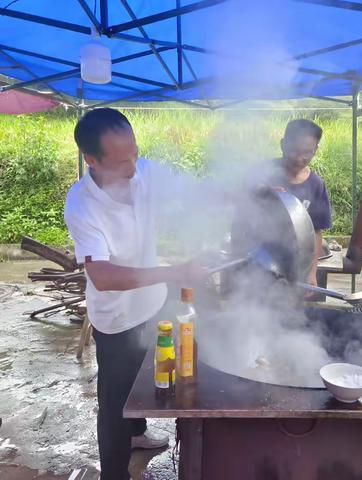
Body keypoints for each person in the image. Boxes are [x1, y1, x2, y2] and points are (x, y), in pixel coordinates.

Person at [64, 108, 205, 480]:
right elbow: (103, 277)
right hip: (115, 315)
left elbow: (195, 190)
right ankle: (114, 472)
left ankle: (138, 434)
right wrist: (174, 272)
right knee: (115, 400)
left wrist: (250, 192)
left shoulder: (142, 171)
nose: (133, 166)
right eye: (122, 160)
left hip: (152, 300)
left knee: (152, 373)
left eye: (136, 153)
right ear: (91, 160)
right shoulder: (82, 204)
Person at [270, 119, 332, 286]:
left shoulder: (316, 184)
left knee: (294, 311)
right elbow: (240, 210)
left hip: (296, 268)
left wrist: (312, 272)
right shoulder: (264, 172)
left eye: (307, 152)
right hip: (259, 264)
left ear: (316, 150)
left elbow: (316, 232)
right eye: (294, 151)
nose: (300, 158)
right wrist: (261, 192)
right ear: (283, 144)